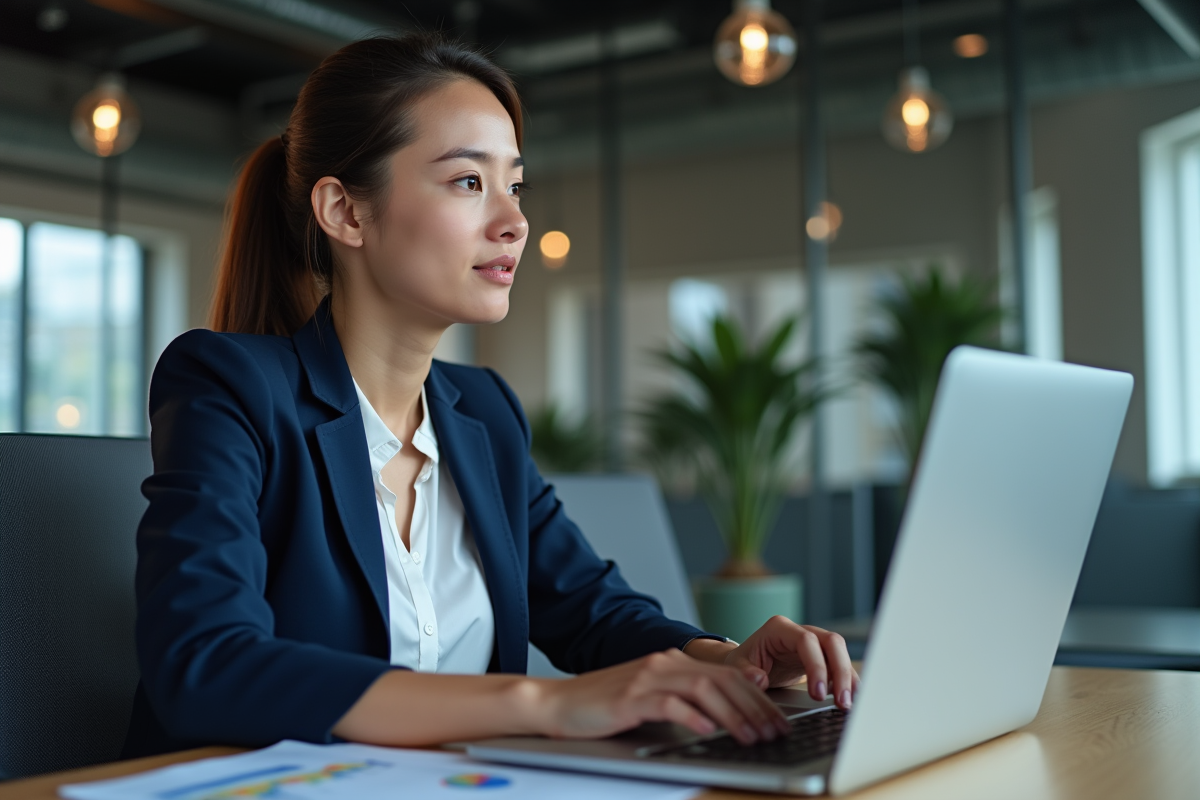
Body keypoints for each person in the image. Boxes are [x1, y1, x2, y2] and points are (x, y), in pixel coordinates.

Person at [124, 33, 857, 758]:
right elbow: (206, 663)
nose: (513, 222)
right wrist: (541, 703)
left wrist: (729, 659)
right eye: (468, 182)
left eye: (515, 184)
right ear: (345, 212)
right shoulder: (230, 384)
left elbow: (590, 612)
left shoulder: (483, 413)